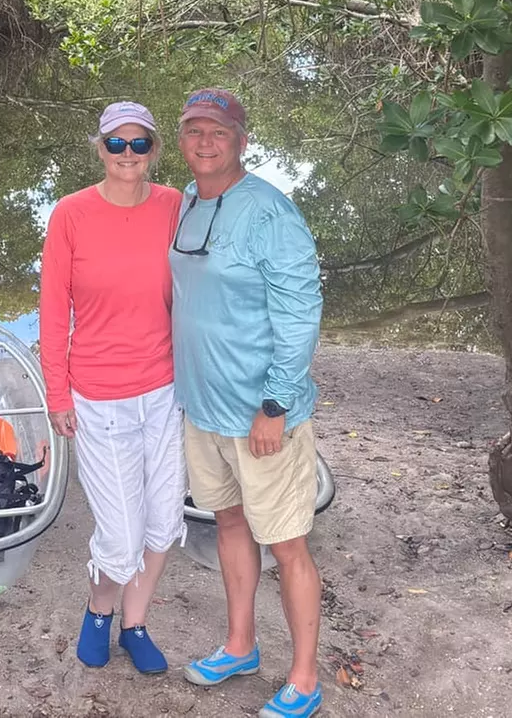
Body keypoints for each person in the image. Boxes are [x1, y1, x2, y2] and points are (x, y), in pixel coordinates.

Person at [170, 88, 324, 718]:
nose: (205, 143)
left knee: (287, 543)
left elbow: (300, 314)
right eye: (194, 131)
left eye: (219, 133)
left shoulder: (271, 213)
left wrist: (276, 404)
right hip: (202, 408)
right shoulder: (184, 201)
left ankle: (305, 679)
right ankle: (240, 644)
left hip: (261, 414)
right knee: (229, 524)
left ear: (241, 140)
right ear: (181, 139)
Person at [39, 100, 185, 675]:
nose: (128, 155)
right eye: (117, 144)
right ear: (100, 149)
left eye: (140, 144)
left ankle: (135, 624)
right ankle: (100, 611)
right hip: (98, 397)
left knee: (165, 524)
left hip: (167, 391)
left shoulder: (176, 205)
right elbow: (53, 311)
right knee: (121, 539)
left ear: (154, 150)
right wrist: (57, 393)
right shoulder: (71, 214)